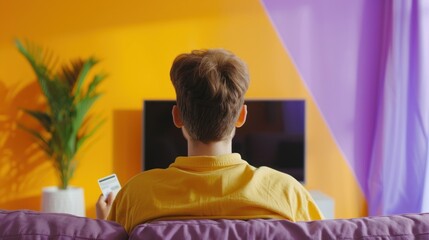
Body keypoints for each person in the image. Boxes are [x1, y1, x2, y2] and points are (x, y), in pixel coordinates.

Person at [96, 49, 323, 233]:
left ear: (177, 116)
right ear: (242, 116)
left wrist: (104, 226)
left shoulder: (135, 195)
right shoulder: (288, 193)